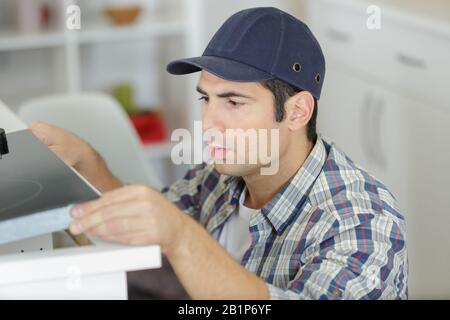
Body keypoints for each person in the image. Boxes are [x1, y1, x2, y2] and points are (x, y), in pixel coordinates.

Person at [30, 7, 407, 299]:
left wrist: (183, 239)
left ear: (297, 111)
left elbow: (174, 234)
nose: (209, 124)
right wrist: (89, 164)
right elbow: (154, 227)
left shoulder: (362, 222)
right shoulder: (223, 174)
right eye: (206, 99)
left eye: (234, 102)